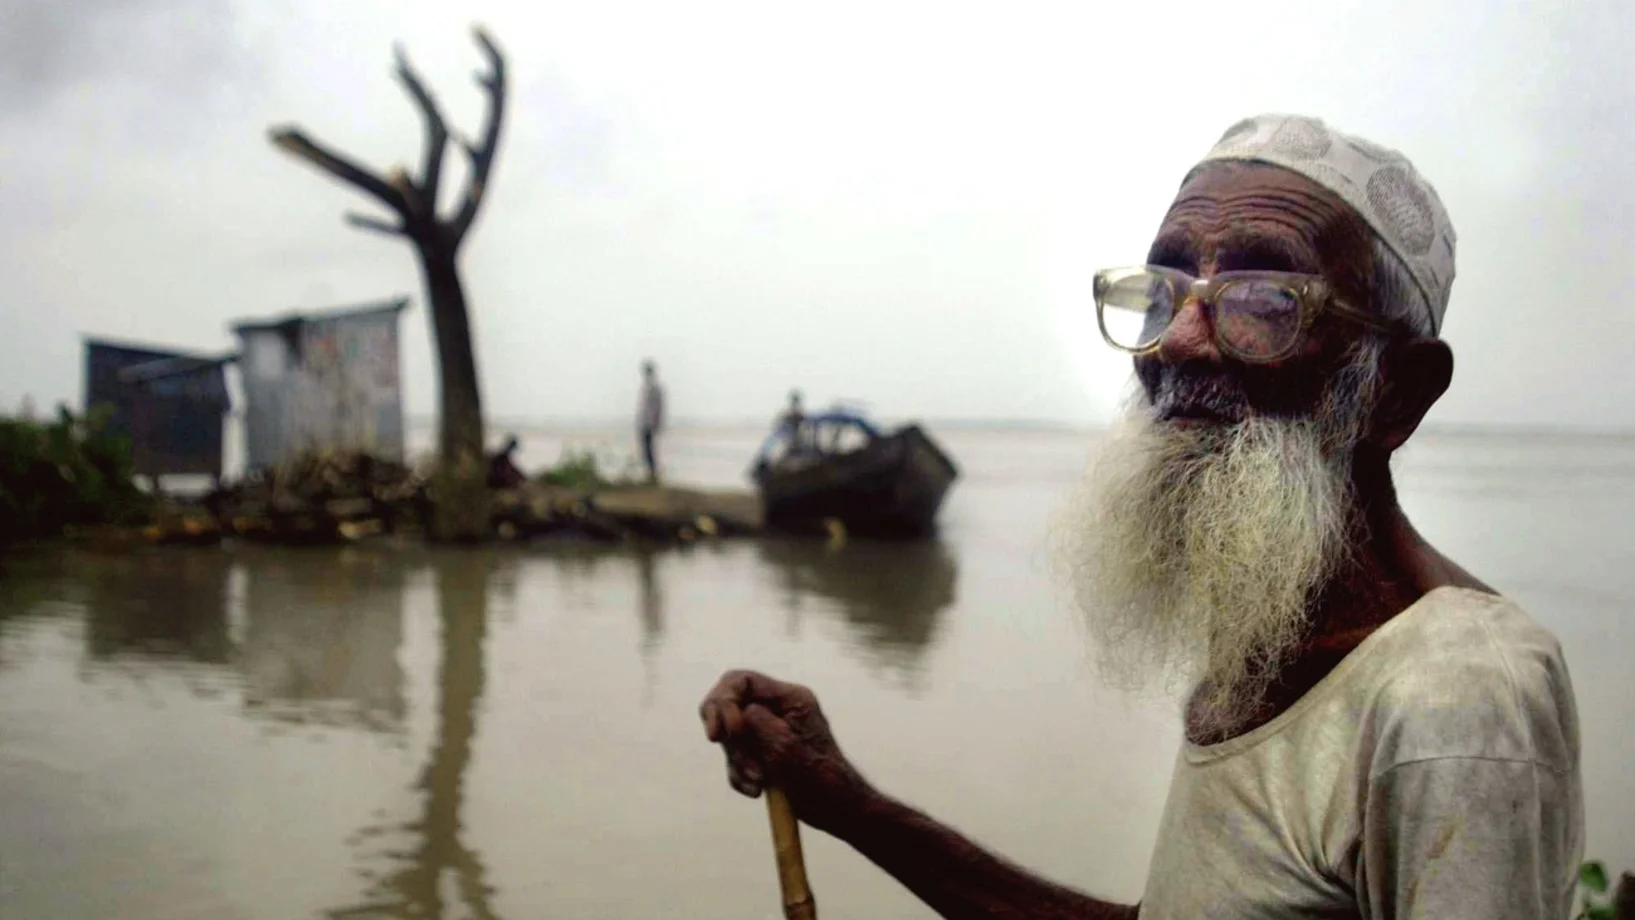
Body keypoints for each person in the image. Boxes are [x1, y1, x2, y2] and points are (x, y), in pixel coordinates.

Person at [698, 114, 1584, 919]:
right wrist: (848, 803)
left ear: (1397, 393)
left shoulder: (1458, 701)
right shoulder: (1264, 649)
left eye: (1264, 300)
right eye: (1163, 291)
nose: (1178, 339)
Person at [637, 360, 665, 483]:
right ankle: (649, 472)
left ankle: (652, 472)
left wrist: (657, 423)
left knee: (649, 448)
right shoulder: (646, 387)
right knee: (645, 448)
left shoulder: (655, 387)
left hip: (650, 423)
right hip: (644, 422)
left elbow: (659, 407)